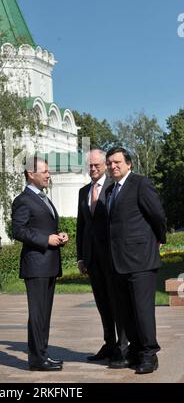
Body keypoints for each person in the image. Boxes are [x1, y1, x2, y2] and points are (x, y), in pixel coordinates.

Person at [105, 147, 167, 374]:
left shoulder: (141, 184)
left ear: (129, 164)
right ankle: (136, 350)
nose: (113, 166)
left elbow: (157, 215)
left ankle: (150, 354)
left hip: (141, 260)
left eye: (117, 162)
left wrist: (159, 239)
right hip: (118, 262)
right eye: (109, 163)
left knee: (142, 311)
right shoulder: (111, 191)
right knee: (125, 312)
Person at [12, 156, 69, 371]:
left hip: (49, 265)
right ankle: (36, 359)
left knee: (44, 313)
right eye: (44, 171)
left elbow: (43, 226)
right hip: (36, 266)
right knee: (37, 314)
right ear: (30, 174)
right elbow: (18, 231)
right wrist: (46, 240)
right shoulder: (23, 200)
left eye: (48, 171)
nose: (48, 175)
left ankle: (42, 355)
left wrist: (58, 236)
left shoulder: (43, 197)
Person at [76, 149, 128, 362]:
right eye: (90, 166)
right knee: (103, 304)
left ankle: (123, 347)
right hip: (92, 259)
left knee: (118, 302)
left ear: (105, 166)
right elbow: (82, 227)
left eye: (97, 165)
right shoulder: (83, 191)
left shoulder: (113, 188)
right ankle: (109, 344)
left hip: (113, 257)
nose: (93, 169)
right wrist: (81, 256)